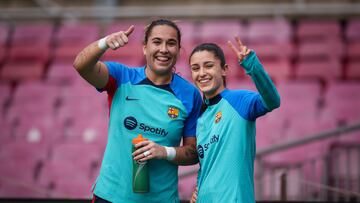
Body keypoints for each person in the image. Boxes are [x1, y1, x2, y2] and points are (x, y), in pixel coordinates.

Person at [73, 19, 202, 203]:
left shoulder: (190, 95)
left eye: (171, 43)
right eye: (157, 42)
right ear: (145, 47)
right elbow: (81, 65)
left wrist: (164, 151)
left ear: (179, 50)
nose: (164, 49)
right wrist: (104, 43)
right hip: (110, 197)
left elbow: (192, 153)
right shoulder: (121, 77)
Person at [188, 38, 280, 203]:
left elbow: (273, 101)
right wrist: (198, 191)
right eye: (195, 68)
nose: (201, 73)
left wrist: (252, 65)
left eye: (208, 66)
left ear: (224, 70)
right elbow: (207, 166)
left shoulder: (239, 100)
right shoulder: (200, 117)